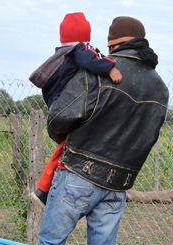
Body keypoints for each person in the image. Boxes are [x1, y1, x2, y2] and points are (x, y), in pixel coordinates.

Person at [10, 16, 169, 245]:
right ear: (143, 42)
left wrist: (66, 137)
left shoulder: (100, 70)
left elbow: (60, 117)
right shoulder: (160, 88)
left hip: (78, 174)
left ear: (112, 43)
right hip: (118, 185)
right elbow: (149, 139)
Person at [29, 12, 122, 206]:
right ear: (85, 34)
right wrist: (109, 67)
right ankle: (44, 190)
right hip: (72, 107)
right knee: (67, 148)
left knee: (64, 148)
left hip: (58, 105)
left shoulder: (60, 54)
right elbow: (89, 61)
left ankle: (44, 189)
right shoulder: (80, 50)